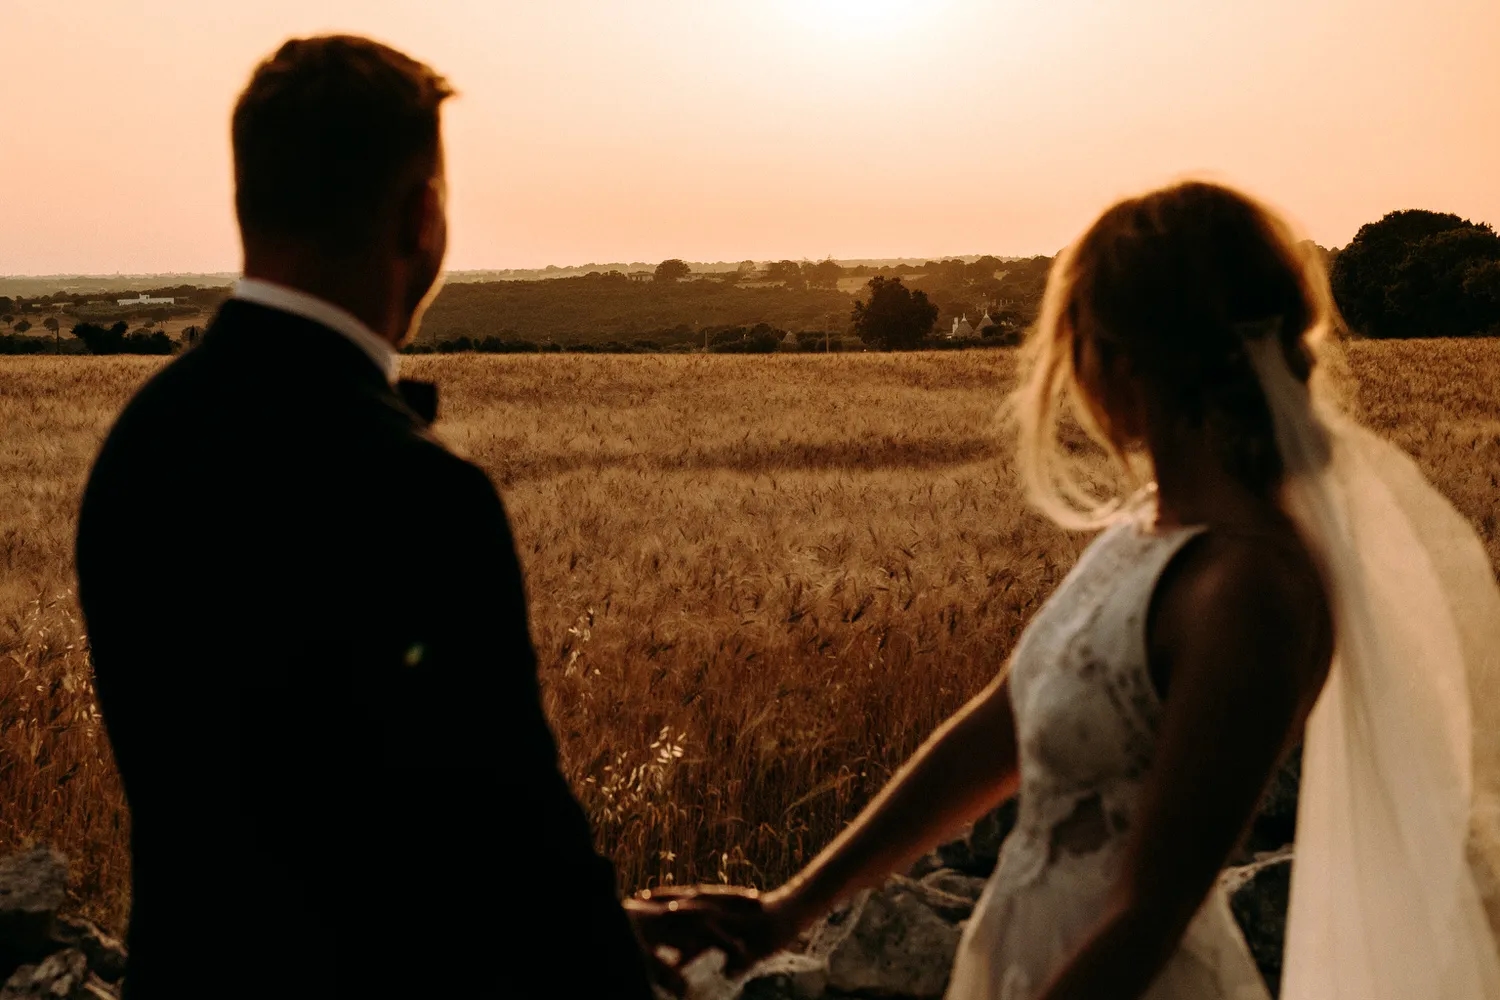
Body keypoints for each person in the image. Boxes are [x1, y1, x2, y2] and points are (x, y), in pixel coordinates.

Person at [633, 181, 1500, 1000]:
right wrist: (788, 908)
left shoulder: (1248, 589)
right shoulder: (1143, 532)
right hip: (1027, 960)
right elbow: (999, 728)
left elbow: (1151, 912)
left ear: (1122, 357)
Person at [76, 36, 655, 999]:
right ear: (422, 218)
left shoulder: (141, 440)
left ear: (246, 203)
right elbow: (520, 848)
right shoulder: (422, 497)